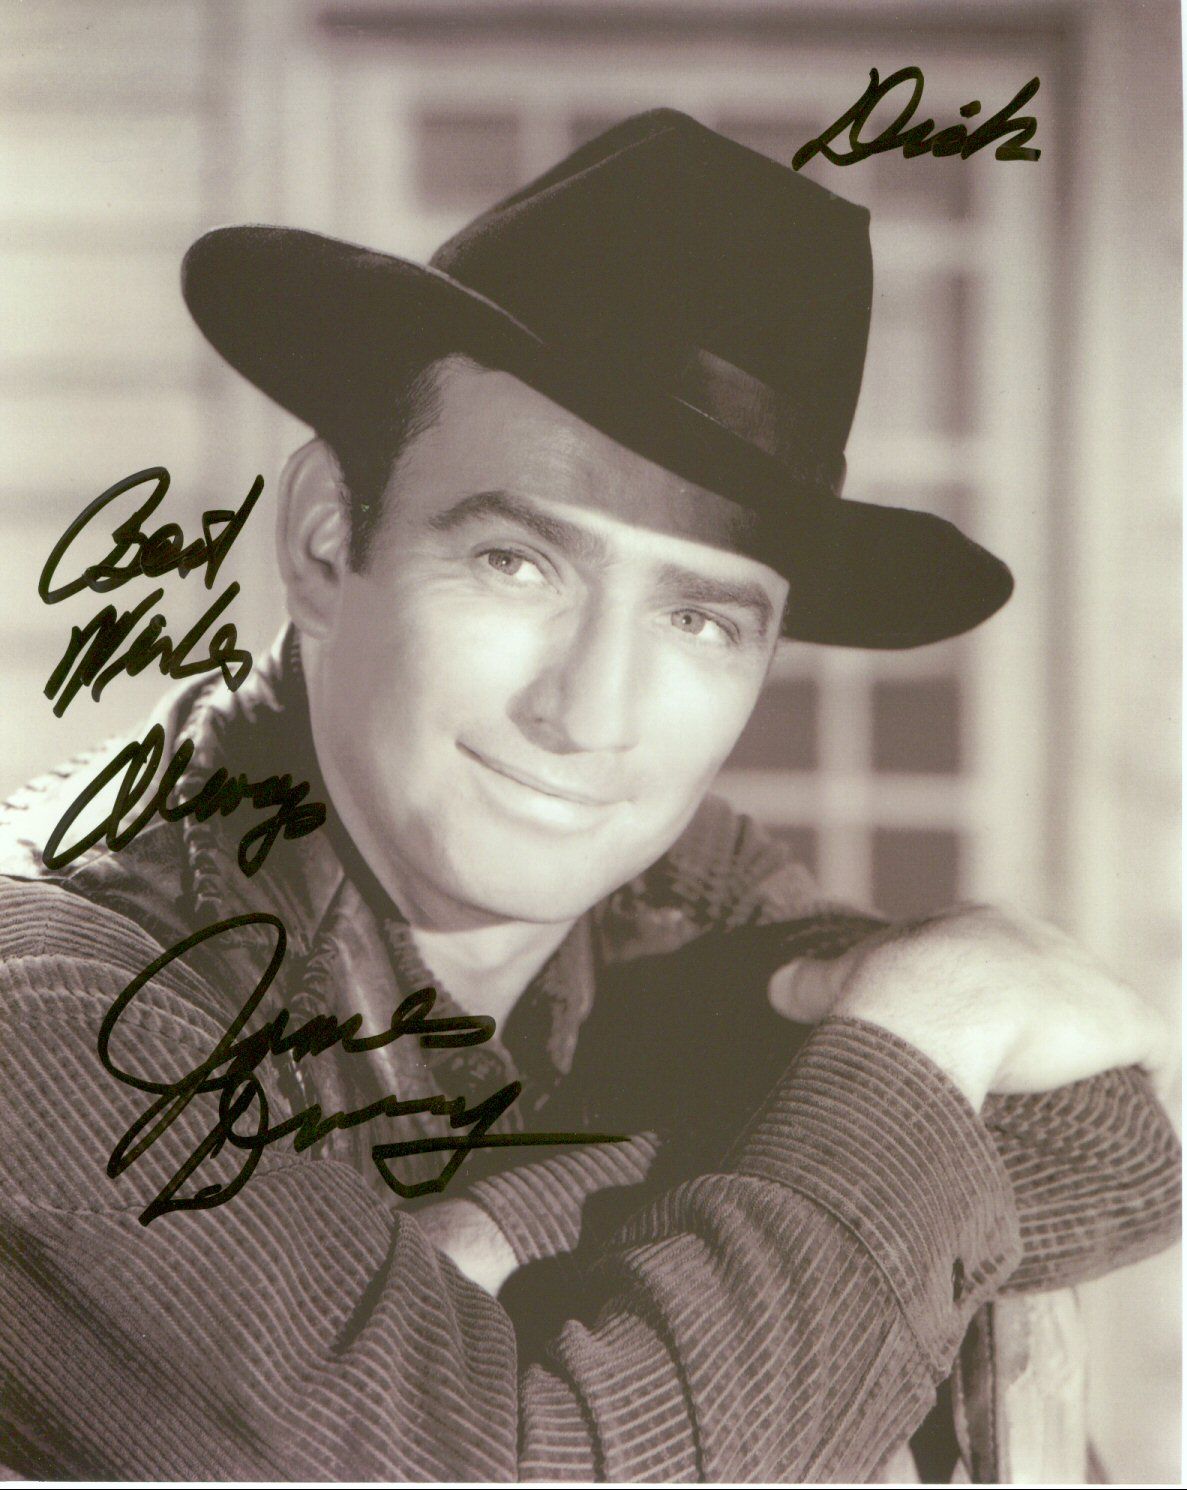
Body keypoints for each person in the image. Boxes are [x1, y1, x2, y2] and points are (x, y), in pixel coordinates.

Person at [0, 109, 1177, 1483]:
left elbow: (1112, 1140)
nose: (590, 712)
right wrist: (924, 1032)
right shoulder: (58, 1001)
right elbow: (525, 1470)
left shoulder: (672, 885)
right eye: (516, 564)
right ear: (326, 540)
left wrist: (517, 1218)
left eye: (700, 619)